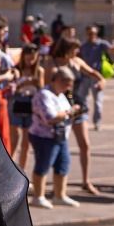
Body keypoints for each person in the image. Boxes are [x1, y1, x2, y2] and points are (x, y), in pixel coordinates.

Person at [48, 38, 105, 194]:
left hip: (78, 107)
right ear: (66, 49)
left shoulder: (77, 62)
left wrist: (101, 80)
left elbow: (93, 73)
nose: (77, 52)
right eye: (74, 49)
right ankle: (57, 185)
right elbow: (47, 85)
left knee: (85, 145)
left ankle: (86, 181)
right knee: (58, 146)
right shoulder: (53, 64)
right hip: (61, 109)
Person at [29, 67, 82, 209]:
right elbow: (50, 117)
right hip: (44, 136)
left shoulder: (61, 94)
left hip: (60, 136)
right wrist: (70, 112)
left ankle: (60, 195)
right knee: (43, 165)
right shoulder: (44, 94)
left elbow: (63, 113)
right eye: (67, 83)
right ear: (58, 80)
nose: (69, 87)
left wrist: (71, 112)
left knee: (63, 165)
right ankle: (38, 197)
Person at [10, 44, 42, 170]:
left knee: (26, 142)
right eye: (28, 58)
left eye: (33, 58)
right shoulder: (17, 70)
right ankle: (9, 167)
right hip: (17, 101)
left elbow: (41, 90)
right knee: (14, 139)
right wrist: (23, 83)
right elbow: (11, 88)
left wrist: (36, 83)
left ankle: (21, 170)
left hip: (31, 102)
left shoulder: (39, 71)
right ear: (23, 57)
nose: (30, 61)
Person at [78, 24, 111, 130]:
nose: (91, 35)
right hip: (84, 77)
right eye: (89, 33)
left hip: (96, 76)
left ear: (96, 33)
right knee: (83, 99)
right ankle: (84, 119)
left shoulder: (101, 44)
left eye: (93, 33)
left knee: (98, 101)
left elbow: (111, 50)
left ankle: (97, 122)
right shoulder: (83, 46)